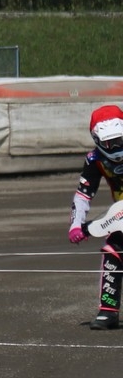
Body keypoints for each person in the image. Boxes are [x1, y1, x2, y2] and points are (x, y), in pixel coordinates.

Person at [67, 105, 123, 329]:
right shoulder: (94, 160)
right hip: (121, 214)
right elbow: (83, 194)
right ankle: (108, 311)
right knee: (113, 250)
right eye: (110, 143)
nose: (116, 148)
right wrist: (76, 225)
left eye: (119, 140)